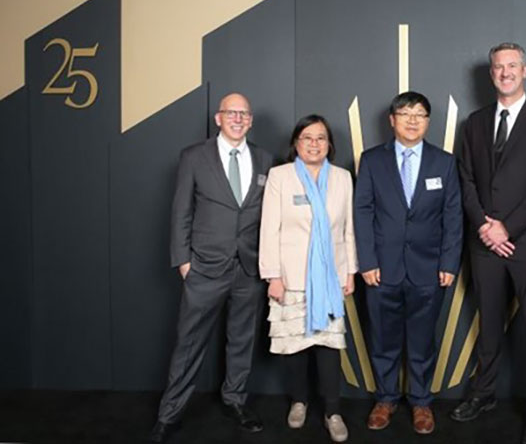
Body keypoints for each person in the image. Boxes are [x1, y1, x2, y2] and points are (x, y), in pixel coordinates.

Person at [451, 43, 526, 444]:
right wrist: (485, 225)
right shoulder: (475, 122)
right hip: (484, 241)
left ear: (525, 70)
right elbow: (465, 179)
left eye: (512, 66)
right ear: (491, 74)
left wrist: (507, 228)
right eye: (498, 67)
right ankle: (483, 394)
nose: (505, 72)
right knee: (488, 326)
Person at [150, 93, 273, 443]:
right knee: (189, 343)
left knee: (241, 340)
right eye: (231, 113)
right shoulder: (194, 156)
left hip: (248, 268)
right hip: (204, 267)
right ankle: (169, 413)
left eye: (244, 114)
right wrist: (184, 261)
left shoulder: (265, 158)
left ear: (250, 120)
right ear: (218, 118)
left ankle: (235, 400)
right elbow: (180, 212)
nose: (238, 118)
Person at [354, 91, 463, 435]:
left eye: (420, 114)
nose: (412, 120)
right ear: (392, 120)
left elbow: (453, 215)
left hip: (429, 269)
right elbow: (362, 212)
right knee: (383, 338)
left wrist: (448, 262)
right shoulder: (371, 160)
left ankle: (420, 402)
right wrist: (367, 261)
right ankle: (385, 398)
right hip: (381, 270)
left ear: (428, 122)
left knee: (422, 340)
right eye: (405, 113)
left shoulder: (444, 162)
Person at [258, 114, 358, 443]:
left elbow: (348, 229)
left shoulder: (342, 177)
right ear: (296, 144)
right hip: (290, 277)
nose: (314, 144)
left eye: (321, 138)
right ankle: (299, 402)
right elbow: (269, 228)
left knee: (329, 349)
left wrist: (350, 271)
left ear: (329, 144)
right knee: (295, 349)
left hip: (330, 277)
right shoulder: (280, 176)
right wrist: (273, 275)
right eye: (307, 137)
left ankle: (333, 411)